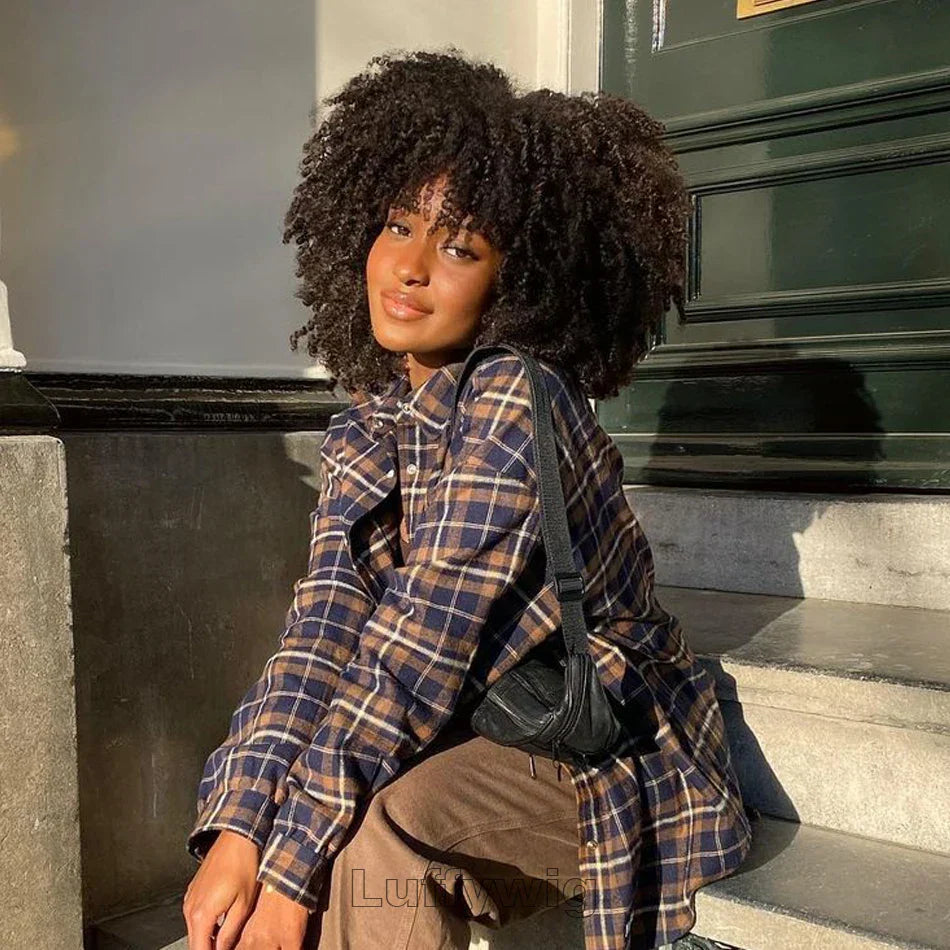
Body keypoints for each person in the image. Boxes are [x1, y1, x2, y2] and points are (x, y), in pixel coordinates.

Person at [181, 48, 752, 950]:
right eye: (398, 226)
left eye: (458, 247)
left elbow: (414, 658)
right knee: (303, 843)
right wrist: (242, 827)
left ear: (512, 286)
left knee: (375, 845)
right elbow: (322, 634)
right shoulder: (374, 427)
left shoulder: (515, 406)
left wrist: (288, 870)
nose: (410, 267)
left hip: (604, 751)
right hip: (470, 716)